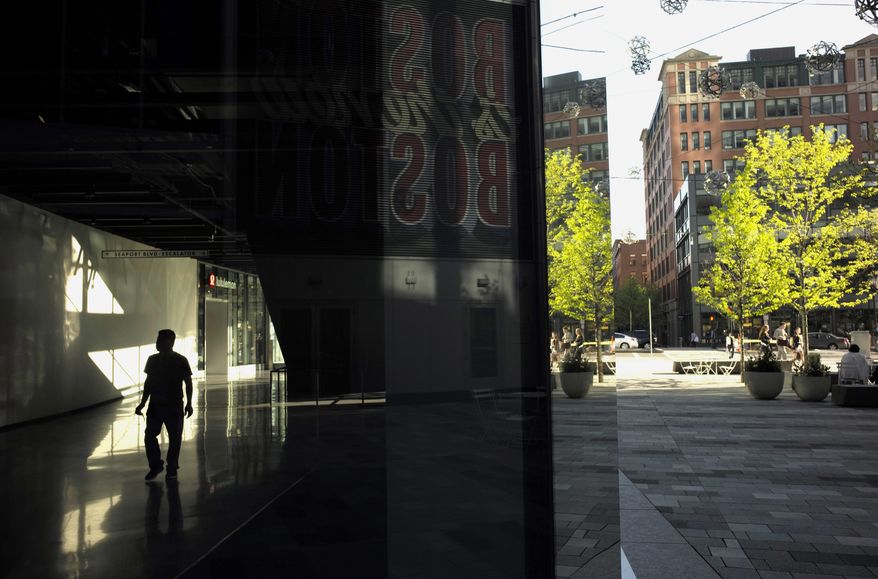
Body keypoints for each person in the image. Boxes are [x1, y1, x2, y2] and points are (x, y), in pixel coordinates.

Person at [135, 329, 194, 482]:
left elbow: (188, 383)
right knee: (149, 436)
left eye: (161, 340)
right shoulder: (152, 360)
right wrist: (142, 403)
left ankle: (172, 467)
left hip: (174, 406)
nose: (158, 343)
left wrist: (189, 403)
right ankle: (156, 465)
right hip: (155, 405)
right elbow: (148, 383)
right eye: (157, 340)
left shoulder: (181, 360)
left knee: (175, 438)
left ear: (171, 342)